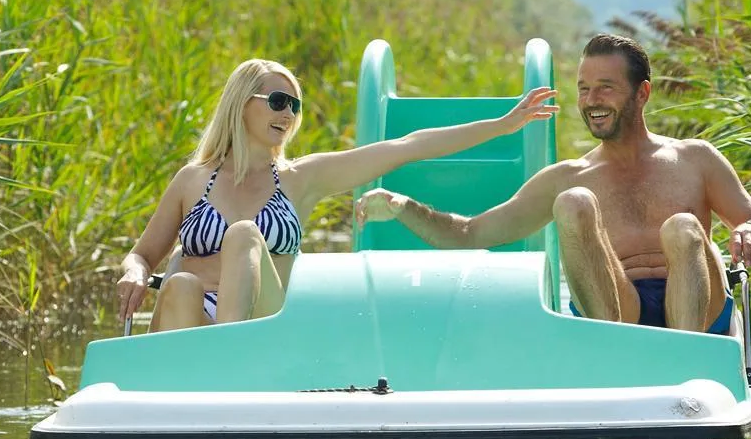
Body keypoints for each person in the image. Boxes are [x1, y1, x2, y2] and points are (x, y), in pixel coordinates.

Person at [358, 34, 751, 334]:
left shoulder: (695, 158)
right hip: (618, 311)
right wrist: (402, 205)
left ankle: (689, 365)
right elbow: (471, 233)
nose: (591, 101)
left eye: (605, 88)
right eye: (583, 89)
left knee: (682, 227)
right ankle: (607, 357)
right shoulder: (569, 176)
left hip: (699, 309)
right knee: (574, 203)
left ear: (642, 94)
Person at [116, 57, 558, 331]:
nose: (287, 113)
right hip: (189, 322)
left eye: (294, 106)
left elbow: (408, 146)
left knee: (245, 235)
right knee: (182, 285)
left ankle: (232, 359)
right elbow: (143, 254)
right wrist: (134, 273)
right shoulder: (192, 180)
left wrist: (503, 125)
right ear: (240, 102)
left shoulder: (301, 178)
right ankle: (168, 405)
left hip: (258, 326)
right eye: (276, 102)